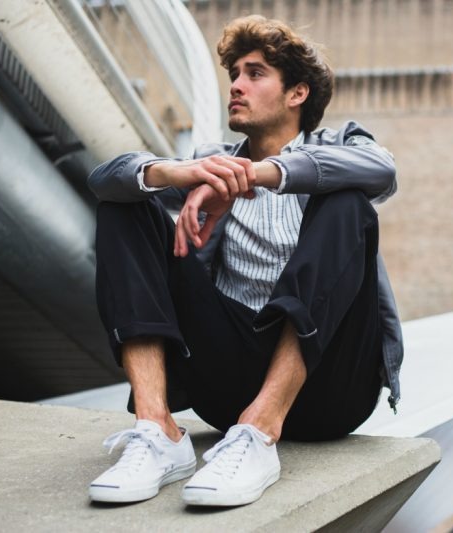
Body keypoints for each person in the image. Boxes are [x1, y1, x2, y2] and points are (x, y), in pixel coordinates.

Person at [86, 14, 402, 507]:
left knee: (348, 202)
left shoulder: (339, 147)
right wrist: (173, 172)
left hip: (330, 389)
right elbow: (104, 180)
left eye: (254, 74)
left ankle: (262, 427)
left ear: (298, 93)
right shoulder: (212, 161)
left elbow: (382, 168)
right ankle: (158, 431)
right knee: (127, 201)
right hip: (228, 383)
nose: (236, 85)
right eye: (234, 73)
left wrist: (257, 175)